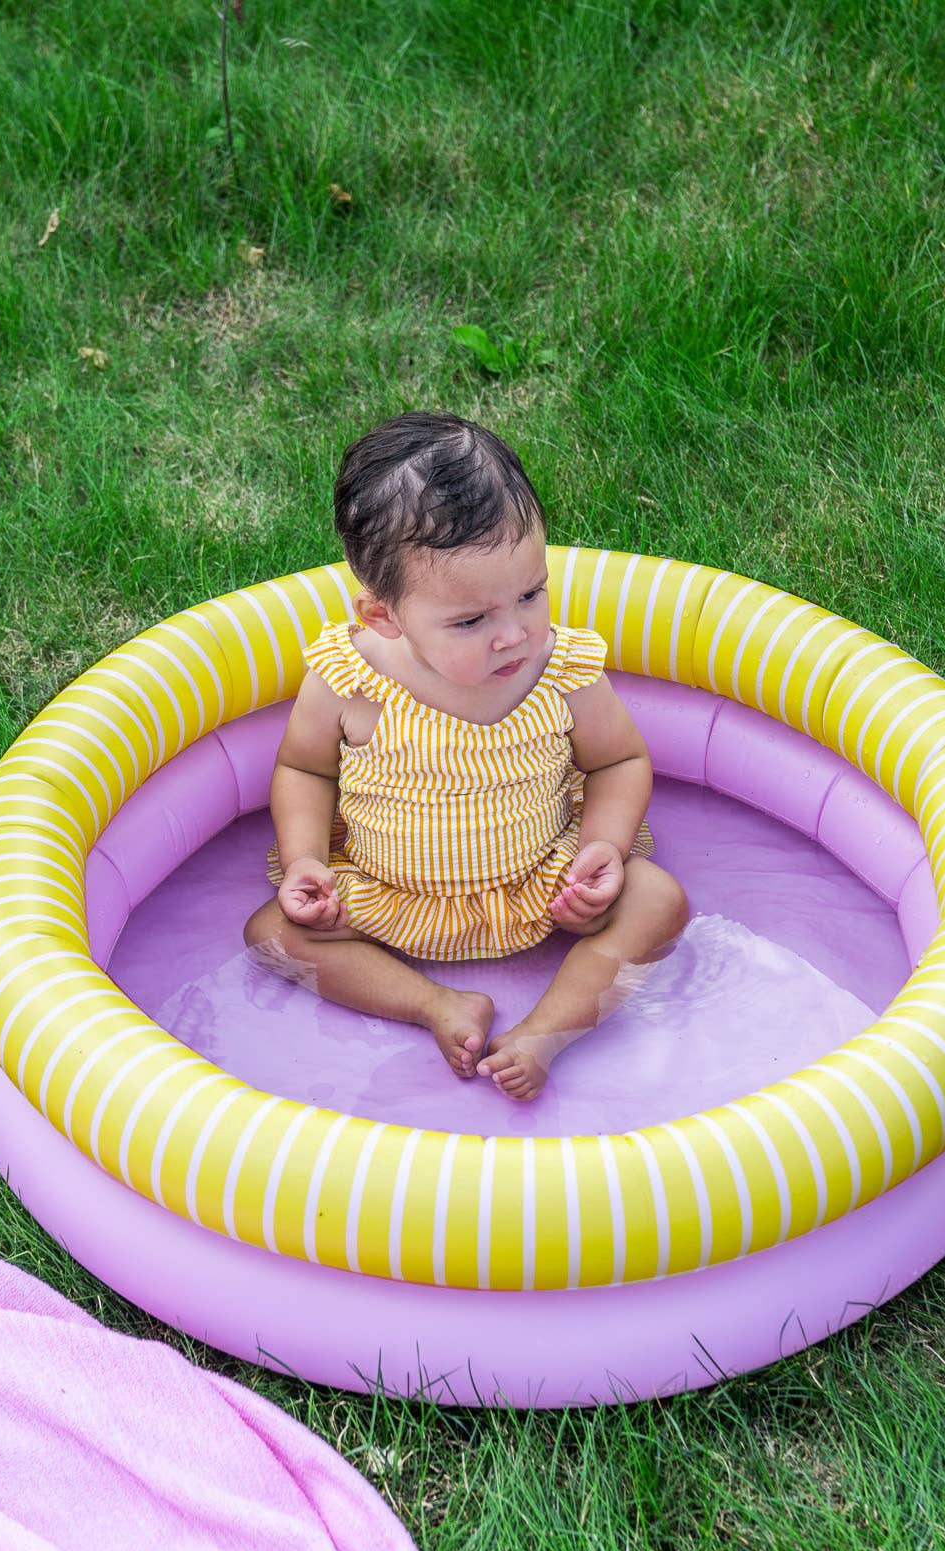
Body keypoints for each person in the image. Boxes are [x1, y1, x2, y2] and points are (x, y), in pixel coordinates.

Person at [243, 413, 688, 1100]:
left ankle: (546, 1032)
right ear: (384, 616)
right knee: (271, 934)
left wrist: (601, 848)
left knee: (658, 902)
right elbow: (305, 769)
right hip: (388, 894)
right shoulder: (350, 680)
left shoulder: (560, 669)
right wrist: (305, 861)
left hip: (543, 881)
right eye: (471, 620)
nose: (514, 635)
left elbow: (618, 762)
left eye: (530, 593)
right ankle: (433, 1005)